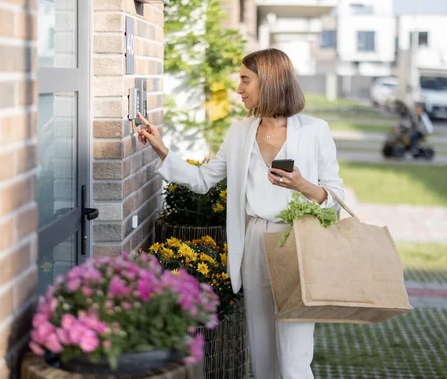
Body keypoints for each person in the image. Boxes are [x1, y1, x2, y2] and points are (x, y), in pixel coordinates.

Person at [136, 48, 346, 379]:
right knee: (262, 354)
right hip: (254, 243)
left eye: (245, 80)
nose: (239, 88)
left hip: (297, 244)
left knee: (294, 359)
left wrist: (303, 184)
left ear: (271, 82)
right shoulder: (240, 132)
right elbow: (204, 180)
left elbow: (336, 199)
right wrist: (161, 148)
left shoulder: (315, 130)